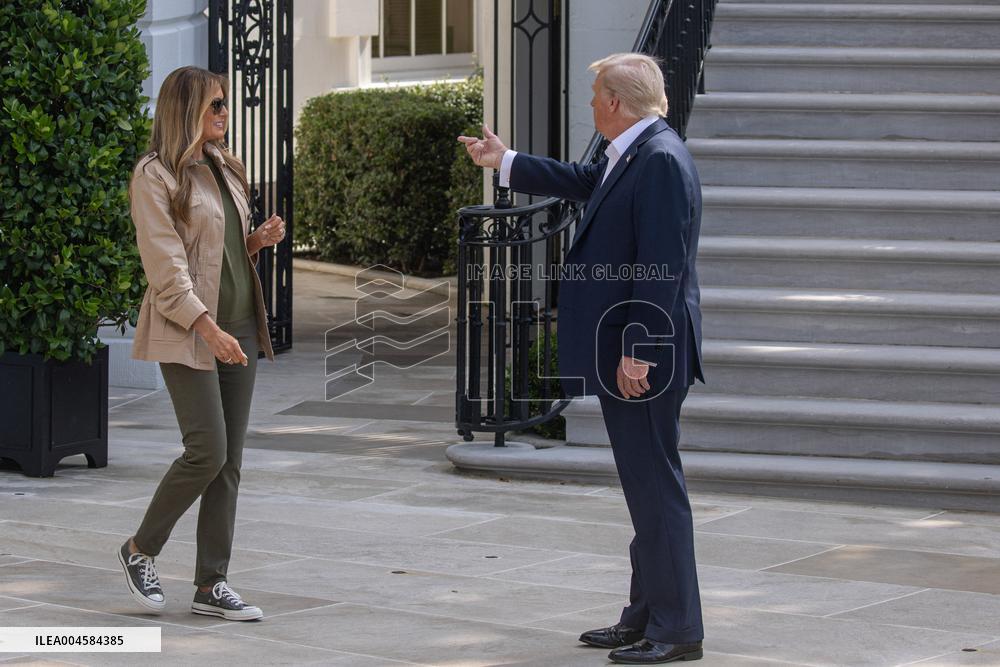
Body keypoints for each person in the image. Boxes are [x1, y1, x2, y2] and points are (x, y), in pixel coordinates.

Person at [459, 52, 705, 664]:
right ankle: (646, 616)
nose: (591, 103)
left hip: (647, 356)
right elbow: (583, 181)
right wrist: (506, 161)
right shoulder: (637, 152)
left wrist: (639, 353)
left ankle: (677, 632)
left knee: (656, 491)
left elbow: (661, 268)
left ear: (617, 103)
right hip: (636, 352)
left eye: (596, 94)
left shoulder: (662, 162)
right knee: (645, 491)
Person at [118, 66, 286, 621]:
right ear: (186, 109)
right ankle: (141, 548)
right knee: (206, 450)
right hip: (189, 329)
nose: (224, 113)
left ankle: (211, 584)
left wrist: (254, 241)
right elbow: (167, 267)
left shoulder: (222, 166)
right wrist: (206, 327)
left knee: (229, 461)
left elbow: (215, 248)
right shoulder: (155, 174)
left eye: (224, 104)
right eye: (215, 105)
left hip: (236, 325)